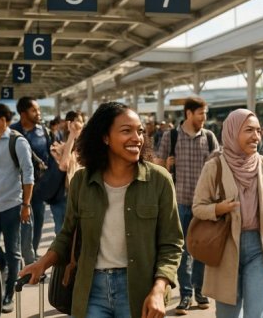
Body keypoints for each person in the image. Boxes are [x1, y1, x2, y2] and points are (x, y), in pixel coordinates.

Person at [19, 102, 183, 318]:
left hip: (139, 291)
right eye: (127, 131)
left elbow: (172, 244)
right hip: (91, 291)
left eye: (140, 131)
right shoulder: (81, 182)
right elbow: (67, 235)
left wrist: (159, 288)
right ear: (105, 137)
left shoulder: (159, 180)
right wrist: (42, 264)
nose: (137, 138)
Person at [192, 109, 263, 318]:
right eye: (249, 130)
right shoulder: (214, 166)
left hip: (260, 248)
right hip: (225, 248)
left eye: (258, 131)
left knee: (257, 314)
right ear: (233, 132)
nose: (256, 136)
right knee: (228, 315)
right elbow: (198, 207)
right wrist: (218, 209)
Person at [155, 96, 219, 315]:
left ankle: (200, 292)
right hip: (178, 203)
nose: (205, 117)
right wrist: (166, 164)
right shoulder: (170, 136)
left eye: (206, 113)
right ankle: (184, 295)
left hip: (203, 205)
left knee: (201, 249)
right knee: (181, 252)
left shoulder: (209, 138)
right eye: (201, 113)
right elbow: (157, 165)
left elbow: (217, 168)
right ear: (189, 114)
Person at [0, 103, 34, 313]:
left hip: (13, 204)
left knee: (14, 251)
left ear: (2, 120)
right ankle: (3, 265)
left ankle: (9, 294)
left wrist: (26, 205)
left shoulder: (18, 142)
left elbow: (29, 175)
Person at [11, 96, 66, 265]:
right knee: (17, 225)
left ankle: (32, 257)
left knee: (37, 221)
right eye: (34, 110)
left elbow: (53, 155)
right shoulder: (12, 131)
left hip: (39, 187)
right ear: (23, 113)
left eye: (39, 110)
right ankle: (18, 257)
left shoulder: (45, 131)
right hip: (16, 186)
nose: (38, 113)